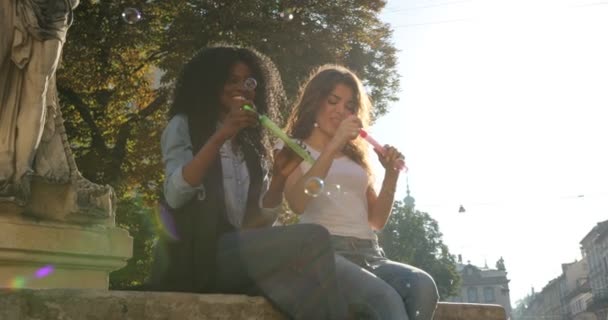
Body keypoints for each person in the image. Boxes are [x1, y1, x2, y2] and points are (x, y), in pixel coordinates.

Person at [149, 46, 348, 320]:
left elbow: (261, 221)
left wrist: (279, 179)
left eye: (250, 81)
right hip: (196, 258)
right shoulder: (183, 125)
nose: (243, 87)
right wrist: (220, 136)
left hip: (238, 258)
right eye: (232, 80)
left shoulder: (251, 142)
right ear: (210, 83)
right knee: (313, 236)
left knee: (305, 296)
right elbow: (175, 194)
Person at [278, 64, 440, 319]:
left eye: (350, 106)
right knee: (385, 299)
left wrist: (390, 175)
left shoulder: (356, 157)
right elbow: (298, 202)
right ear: (315, 101)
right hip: (323, 253)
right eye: (333, 101)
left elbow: (375, 220)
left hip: (369, 253)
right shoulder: (291, 146)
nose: (341, 111)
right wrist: (333, 145)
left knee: (423, 286)